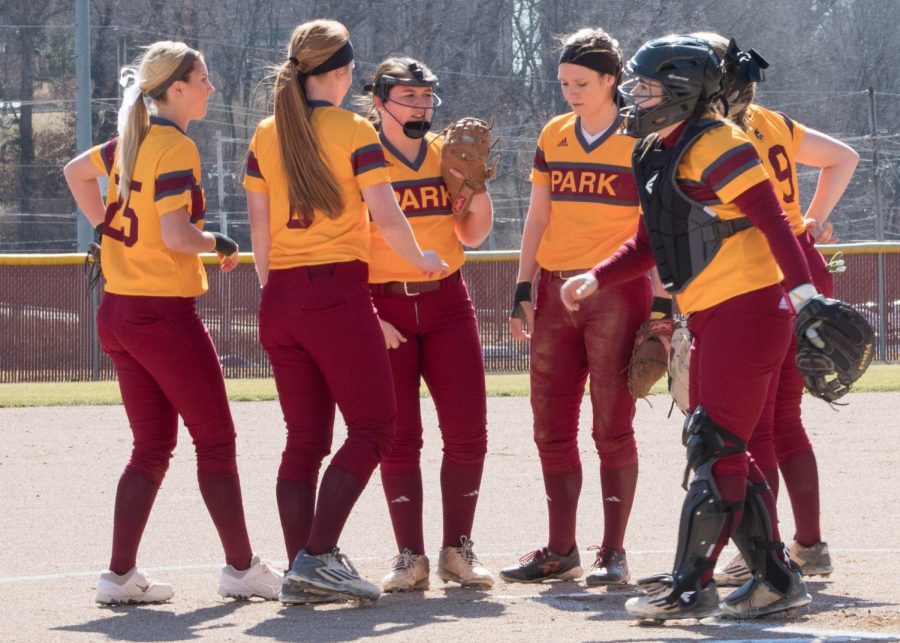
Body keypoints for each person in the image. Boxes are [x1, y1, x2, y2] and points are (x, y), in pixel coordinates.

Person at [561, 35, 819, 619]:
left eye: (646, 85)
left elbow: (773, 221)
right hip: (712, 314)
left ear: (681, 91)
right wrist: (596, 277)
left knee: (716, 445)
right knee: (720, 446)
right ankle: (776, 579)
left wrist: (804, 296)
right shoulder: (655, 148)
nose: (634, 94)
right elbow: (652, 242)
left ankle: (692, 582)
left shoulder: (720, 142)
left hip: (749, 310)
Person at [63, 41, 281, 604]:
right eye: (203, 79)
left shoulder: (129, 141)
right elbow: (177, 236)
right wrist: (220, 240)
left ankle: (117, 577)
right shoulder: (174, 145)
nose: (209, 88)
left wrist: (108, 227)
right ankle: (240, 567)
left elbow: (73, 173)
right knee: (216, 440)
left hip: (117, 311)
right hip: (161, 314)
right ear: (176, 88)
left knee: (152, 446)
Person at [243, 20, 447, 604]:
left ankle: (301, 568)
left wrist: (277, 294)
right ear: (340, 72)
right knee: (375, 428)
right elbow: (385, 214)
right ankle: (314, 558)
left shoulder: (265, 130)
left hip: (280, 294)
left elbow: (261, 232)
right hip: (335, 291)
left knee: (304, 439)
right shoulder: (353, 126)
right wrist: (422, 259)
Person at [690, 33, 859, 587]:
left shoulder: (718, 133)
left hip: (758, 267)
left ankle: (766, 553)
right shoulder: (773, 120)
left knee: (754, 424)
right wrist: (811, 219)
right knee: (787, 420)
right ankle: (809, 545)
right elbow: (844, 158)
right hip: (800, 259)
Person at [501, 27, 665, 587]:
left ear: (611, 81)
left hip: (614, 291)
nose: (570, 92)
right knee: (549, 426)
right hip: (553, 290)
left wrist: (664, 306)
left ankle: (612, 552)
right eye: (564, 82)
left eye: (581, 83)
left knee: (611, 425)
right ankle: (559, 548)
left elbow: (655, 231)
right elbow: (538, 216)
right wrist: (523, 289)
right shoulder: (555, 133)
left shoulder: (641, 135)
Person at [360, 57, 496, 593]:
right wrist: (367, 315)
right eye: (408, 96)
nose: (420, 106)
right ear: (379, 101)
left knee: (468, 432)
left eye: (426, 96)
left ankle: (457, 550)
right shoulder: (362, 155)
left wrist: (476, 185)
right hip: (385, 302)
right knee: (399, 437)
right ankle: (409, 556)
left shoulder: (447, 151)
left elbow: (474, 235)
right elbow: (345, 245)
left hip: (447, 301)